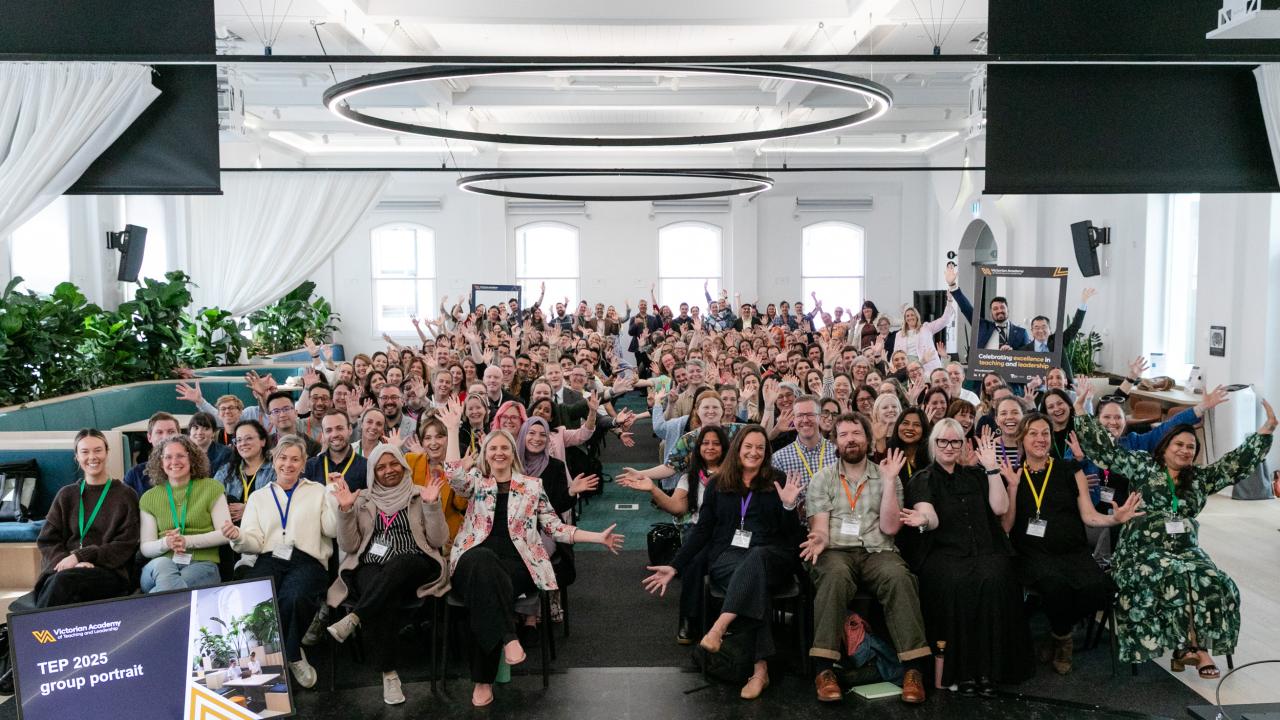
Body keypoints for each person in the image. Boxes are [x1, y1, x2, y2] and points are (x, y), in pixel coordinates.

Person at [1073, 399, 1276, 677]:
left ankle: (1190, 647)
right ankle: (1192, 648)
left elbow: (1234, 465)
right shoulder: (1143, 466)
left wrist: (1265, 431)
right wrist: (1083, 412)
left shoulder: (1200, 478)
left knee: (1217, 581)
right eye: (1178, 445)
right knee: (1175, 572)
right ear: (1165, 447)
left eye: (1190, 447)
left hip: (1186, 549)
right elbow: (1105, 452)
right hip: (1141, 550)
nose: (1184, 450)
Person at [445, 429, 624, 707]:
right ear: (485, 454)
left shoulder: (531, 486)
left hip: (517, 565)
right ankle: (508, 637)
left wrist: (596, 537)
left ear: (513, 453)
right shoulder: (477, 482)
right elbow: (453, 477)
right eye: (493, 449)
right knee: (483, 562)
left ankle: (483, 680)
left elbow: (555, 527)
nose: (499, 453)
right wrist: (454, 423)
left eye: (505, 447)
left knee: (489, 590)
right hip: (472, 560)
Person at [643, 426, 802, 701]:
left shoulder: (778, 480)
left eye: (760, 448)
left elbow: (791, 536)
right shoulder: (718, 484)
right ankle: (760, 670)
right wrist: (676, 565)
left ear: (766, 453)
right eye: (748, 446)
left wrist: (789, 508)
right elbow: (703, 531)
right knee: (754, 584)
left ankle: (719, 626)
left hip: (772, 555)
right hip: (728, 557)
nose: (754, 452)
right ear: (738, 448)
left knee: (757, 559)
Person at [998, 413, 1142, 674]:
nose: (1040, 439)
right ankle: (1064, 641)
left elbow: (1088, 515)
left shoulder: (1069, 470)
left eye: (1045, 433)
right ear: (1021, 438)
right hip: (1032, 553)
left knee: (1101, 589)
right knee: (1056, 587)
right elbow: (1006, 526)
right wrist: (1012, 487)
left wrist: (1115, 519)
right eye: (1033, 433)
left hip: (1072, 551)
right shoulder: (1013, 474)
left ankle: (1056, 633)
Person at [800, 413, 928, 703]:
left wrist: (889, 481)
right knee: (833, 576)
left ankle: (912, 669)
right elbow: (819, 528)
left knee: (899, 577)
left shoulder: (886, 475)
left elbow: (890, 528)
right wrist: (818, 539)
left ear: (868, 439)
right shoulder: (823, 478)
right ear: (835, 441)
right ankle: (824, 669)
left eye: (856, 433)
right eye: (844, 434)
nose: (851, 439)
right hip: (835, 550)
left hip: (877, 550)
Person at [900, 420, 1032, 695]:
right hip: (943, 553)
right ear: (934, 444)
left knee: (996, 577)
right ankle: (963, 672)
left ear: (963, 445)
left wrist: (993, 469)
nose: (949, 447)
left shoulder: (976, 476)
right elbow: (930, 516)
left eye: (955, 442)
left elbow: (1000, 507)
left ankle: (989, 671)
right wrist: (923, 519)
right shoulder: (923, 479)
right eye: (943, 442)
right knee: (958, 582)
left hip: (985, 549)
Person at [325, 444, 450, 706]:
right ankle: (389, 674)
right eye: (380, 467)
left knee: (400, 564)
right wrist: (346, 512)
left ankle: (356, 616)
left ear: (403, 466)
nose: (388, 470)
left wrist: (431, 505)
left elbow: (439, 539)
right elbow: (349, 546)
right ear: (373, 472)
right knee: (380, 590)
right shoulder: (362, 499)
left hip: (415, 563)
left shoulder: (419, 493)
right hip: (372, 564)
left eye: (393, 464)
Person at [221, 435, 338, 689]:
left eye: (295, 459)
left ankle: (289, 654)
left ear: (304, 463)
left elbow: (331, 530)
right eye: (283, 458)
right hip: (269, 557)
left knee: (293, 597)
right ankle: (291, 650)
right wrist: (238, 536)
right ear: (274, 461)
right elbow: (253, 541)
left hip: (308, 559)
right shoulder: (259, 497)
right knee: (256, 598)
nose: (289, 464)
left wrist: (334, 497)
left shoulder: (317, 491)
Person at [618, 425, 728, 644]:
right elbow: (677, 507)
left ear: (725, 448)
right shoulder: (690, 478)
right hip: (700, 533)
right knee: (695, 562)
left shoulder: (734, 475)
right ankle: (689, 619)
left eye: (716, 443)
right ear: (698, 448)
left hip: (727, 533)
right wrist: (653, 489)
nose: (710, 447)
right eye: (705, 443)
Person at [138, 436, 229, 592]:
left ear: (191, 458)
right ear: (160, 462)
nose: (174, 461)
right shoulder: (149, 497)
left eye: (180, 455)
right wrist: (166, 543)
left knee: (166, 589)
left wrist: (187, 541)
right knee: (163, 565)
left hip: (202, 564)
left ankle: (147, 609)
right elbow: (146, 547)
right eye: (168, 457)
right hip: (158, 567)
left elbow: (225, 534)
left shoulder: (212, 488)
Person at [770, 395, 838, 523]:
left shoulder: (837, 453)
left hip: (833, 526)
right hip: (796, 529)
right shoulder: (779, 459)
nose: (805, 420)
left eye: (810, 415)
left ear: (819, 417)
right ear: (794, 419)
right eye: (800, 415)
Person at [945, 265, 1029, 350]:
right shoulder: (982, 326)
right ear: (991, 313)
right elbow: (966, 308)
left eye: (1002, 307)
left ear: (1008, 310)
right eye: (995, 309)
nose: (999, 310)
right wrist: (952, 285)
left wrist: (1014, 353)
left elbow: (1027, 357)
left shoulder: (1021, 333)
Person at [214, 420, 275, 523]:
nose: (243, 443)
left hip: (263, 528)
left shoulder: (275, 470)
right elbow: (211, 497)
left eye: (249, 438)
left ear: (263, 441)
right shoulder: (226, 470)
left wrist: (250, 510)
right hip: (230, 531)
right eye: (239, 440)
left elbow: (282, 504)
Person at [303, 409, 368, 490]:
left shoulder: (366, 467)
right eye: (328, 430)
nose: (334, 434)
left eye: (339, 428)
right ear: (323, 434)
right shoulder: (310, 466)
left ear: (350, 429)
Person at [123, 412, 182, 497]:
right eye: (159, 432)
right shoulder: (135, 475)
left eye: (171, 432)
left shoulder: (190, 470)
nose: (165, 437)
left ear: (179, 435)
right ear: (149, 437)